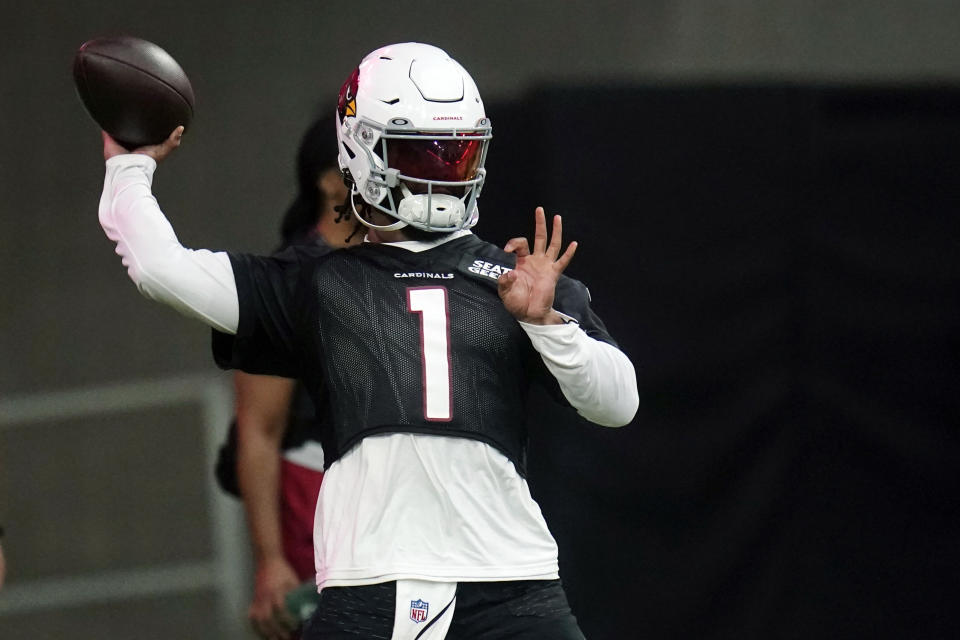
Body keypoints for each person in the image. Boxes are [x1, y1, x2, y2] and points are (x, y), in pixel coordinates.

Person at [96, 42, 638, 639]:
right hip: (373, 587)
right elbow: (162, 269)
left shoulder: (518, 282)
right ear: (359, 150)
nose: (437, 174)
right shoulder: (321, 281)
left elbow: (619, 404)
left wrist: (547, 324)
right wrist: (129, 164)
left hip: (509, 581)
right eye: (418, 153)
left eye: (453, 153)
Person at [217, 115, 356, 640]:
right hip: (316, 495)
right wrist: (270, 560)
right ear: (328, 179)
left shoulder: (397, 264)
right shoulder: (290, 280)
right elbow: (258, 430)